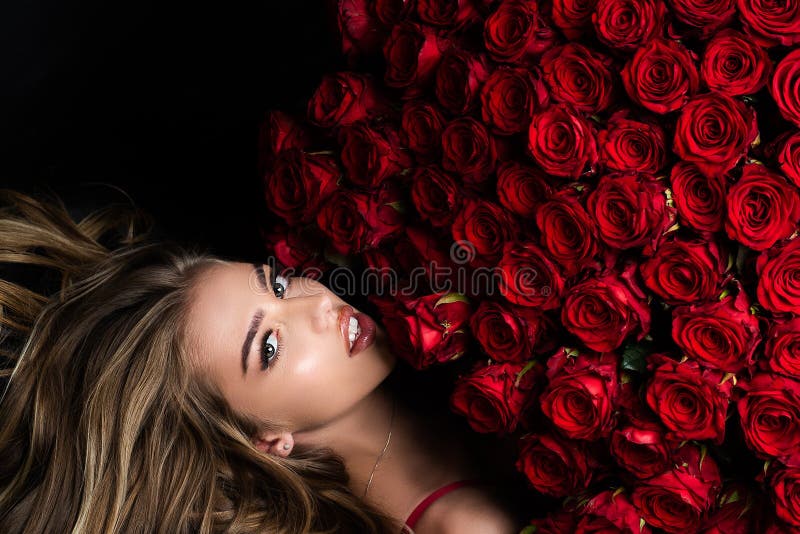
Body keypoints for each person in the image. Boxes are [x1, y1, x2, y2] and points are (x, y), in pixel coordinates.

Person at [0, 187, 528, 533]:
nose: (318, 304)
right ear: (265, 439)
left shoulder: (434, 323)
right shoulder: (464, 525)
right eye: (269, 347)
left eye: (277, 284)